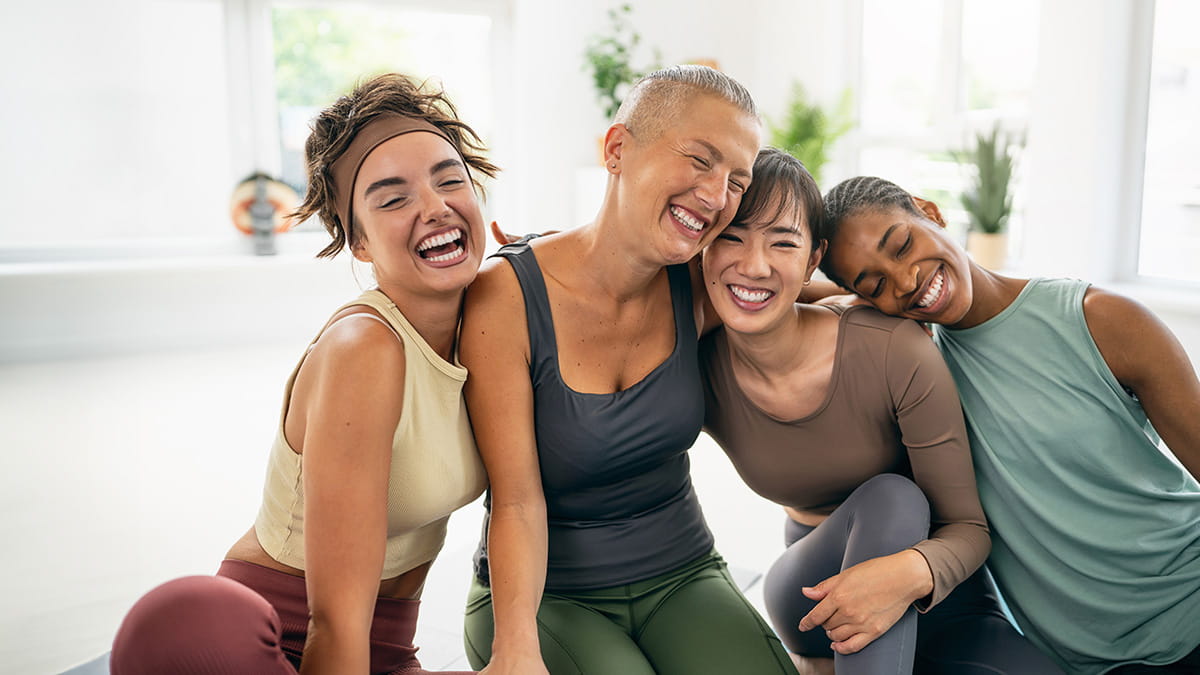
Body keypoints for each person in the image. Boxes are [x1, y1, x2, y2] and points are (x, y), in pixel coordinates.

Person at [110, 73, 496, 675]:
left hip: (384, 651)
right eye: (392, 198)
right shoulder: (364, 348)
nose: (434, 206)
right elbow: (334, 621)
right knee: (182, 617)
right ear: (360, 243)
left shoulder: (496, 320)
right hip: (277, 641)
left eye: (450, 180)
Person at [459, 65, 796, 675]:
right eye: (700, 159)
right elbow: (515, 503)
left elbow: (792, 286)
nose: (718, 196)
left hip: (683, 571)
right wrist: (515, 651)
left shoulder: (698, 287)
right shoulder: (504, 300)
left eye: (737, 181)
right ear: (617, 150)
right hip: (542, 597)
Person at [697, 148, 1061, 675]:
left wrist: (906, 575)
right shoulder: (696, 363)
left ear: (812, 259)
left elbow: (966, 528)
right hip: (812, 595)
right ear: (703, 248)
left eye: (783, 242)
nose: (755, 264)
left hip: (939, 587)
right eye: (731, 236)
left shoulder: (892, 348)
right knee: (893, 497)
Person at [816, 175, 1200, 675]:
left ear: (930, 211)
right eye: (874, 284)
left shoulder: (1101, 320)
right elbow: (780, 287)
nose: (906, 281)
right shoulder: (914, 378)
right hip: (1099, 663)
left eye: (904, 245)